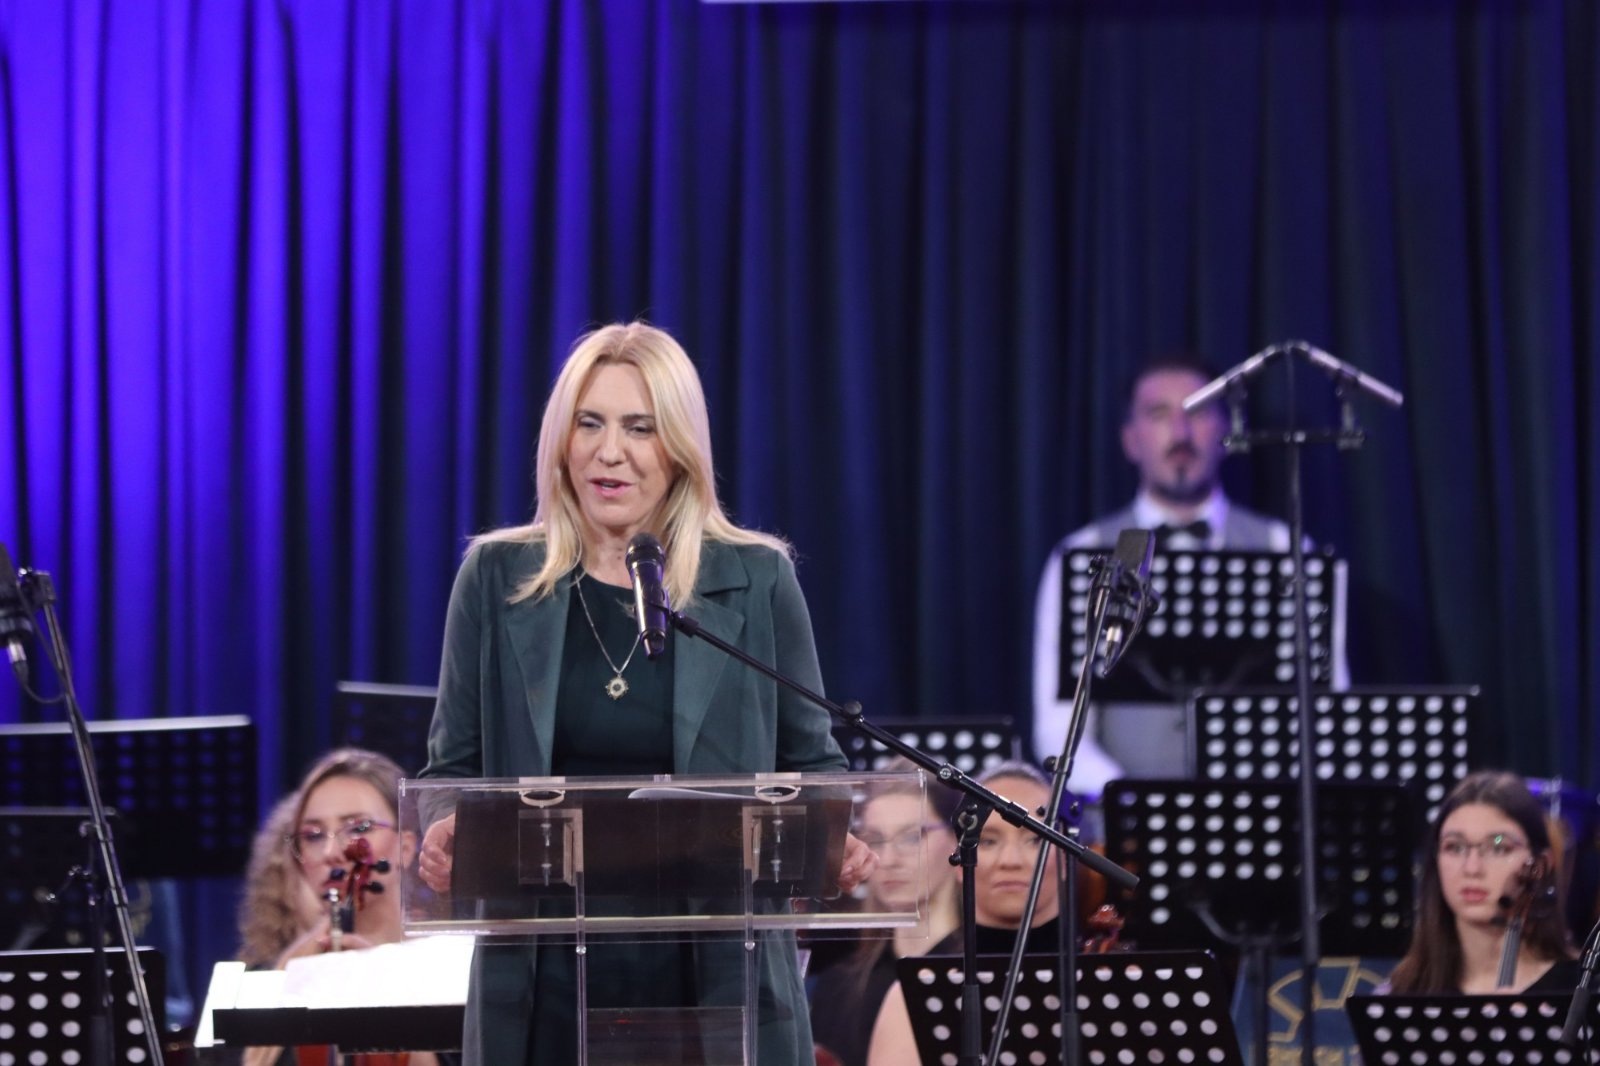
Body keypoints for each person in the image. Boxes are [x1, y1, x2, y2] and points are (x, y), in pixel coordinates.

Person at [414, 321, 876, 1066]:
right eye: (589, 424)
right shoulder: (497, 578)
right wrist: (444, 826)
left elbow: (812, 763)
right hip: (543, 968)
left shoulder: (755, 578)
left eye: (640, 427)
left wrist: (832, 835)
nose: (610, 452)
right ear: (560, 441)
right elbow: (451, 767)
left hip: (720, 961)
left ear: (681, 448)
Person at [1033, 352, 1295, 795]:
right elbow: (1058, 728)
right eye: (1159, 415)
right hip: (1122, 825)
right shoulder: (1081, 555)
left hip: (1256, 812)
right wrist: (1138, 802)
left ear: (1226, 430)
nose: (1180, 432)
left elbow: (1321, 710)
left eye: (1198, 412)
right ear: (1130, 440)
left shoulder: (1285, 550)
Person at [234, 747, 435, 1066]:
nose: (331, 852)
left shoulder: (444, 968)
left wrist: (381, 987)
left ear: (405, 847)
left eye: (359, 828)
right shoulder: (269, 982)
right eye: (313, 836)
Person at [865, 762, 1062, 1066]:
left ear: (1066, 854)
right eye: (989, 840)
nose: (1010, 860)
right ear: (958, 858)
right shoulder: (918, 990)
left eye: (1035, 839)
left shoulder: (1110, 975)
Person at [810, 762, 961, 1066]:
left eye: (912, 836)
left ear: (956, 841)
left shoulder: (981, 972)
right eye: (876, 839)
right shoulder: (836, 987)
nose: (889, 859)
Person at [1385, 770, 1578, 995]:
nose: (1472, 868)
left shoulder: (1581, 991)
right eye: (1455, 847)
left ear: (1541, 865)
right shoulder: (1403, 991)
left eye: (1499, 848)